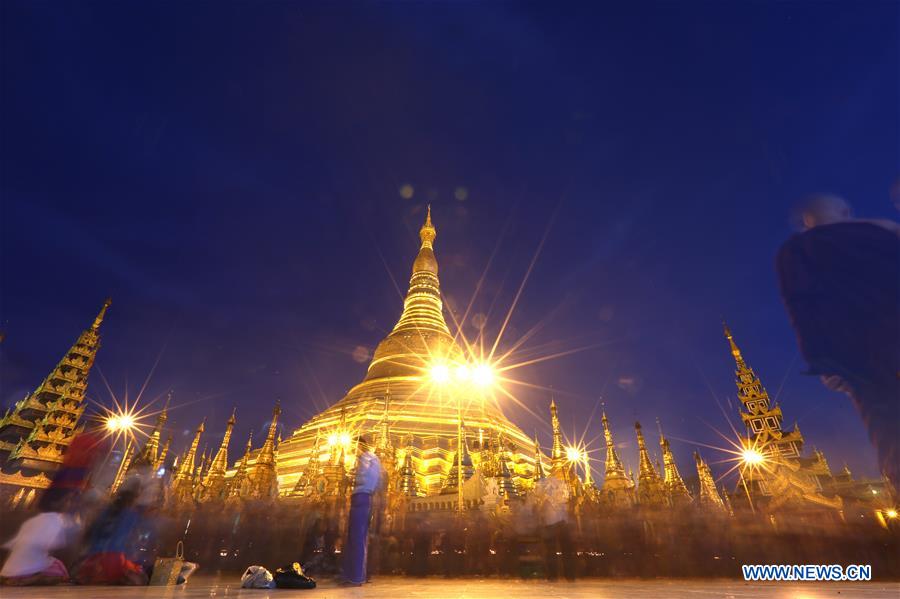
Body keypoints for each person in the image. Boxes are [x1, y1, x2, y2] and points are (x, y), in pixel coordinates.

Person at [777, 194, 900, 485]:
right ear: (847, 211)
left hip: (856, 358)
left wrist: (823, 362)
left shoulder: (795, 251)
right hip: (886, 341)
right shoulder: (876, 232)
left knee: (889, 431)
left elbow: (801, 309)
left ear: (806, 222)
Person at [0, 493, 79, 586]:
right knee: (59, 569)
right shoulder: (55, 519)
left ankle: (16, 579)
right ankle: (31, 579)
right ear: (58, 504)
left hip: (10, 569)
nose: (68, 504)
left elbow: (15, 542)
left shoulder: (32, 520)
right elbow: (52, 545)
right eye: (67, 501)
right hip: (33, 566)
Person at [340, 435, 382, 586]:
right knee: (358, 537)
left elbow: (363, 477)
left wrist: (350, 478)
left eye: (354, 447)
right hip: (366, 497)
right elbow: (378, 481)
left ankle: (355, 576)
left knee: (356, 537)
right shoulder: (374, 458)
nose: (353, 451)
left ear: (359, 445)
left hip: (361, 496)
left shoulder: (366, 457)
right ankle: (355, 574)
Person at [534, 474, 575, 581]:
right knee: (554, 551)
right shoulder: (545, 494)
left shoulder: (559, 489)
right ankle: (556, 575)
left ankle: (565, 575)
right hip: (552, 525)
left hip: (558, 524)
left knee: (562, 551)